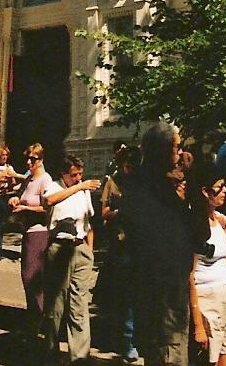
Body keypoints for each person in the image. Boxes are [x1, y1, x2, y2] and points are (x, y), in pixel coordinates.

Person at [121, 121, 196, 366]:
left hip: (161, 289)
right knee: (169, 355)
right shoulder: (152, 187)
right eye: (176, 148)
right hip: (163, 292)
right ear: (162, 150)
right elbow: (179, 233)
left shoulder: (142, 183)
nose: (179, 154)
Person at [41, 156, 101, 364]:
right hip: (59, 249)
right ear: (63, 174)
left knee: (79, 306)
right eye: (73, 175)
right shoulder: (53, 187)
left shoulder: (83, 191)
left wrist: (89, 250)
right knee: (56, 306)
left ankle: (79, 357)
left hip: (80, 248)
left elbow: (89, 222)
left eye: (79, 175)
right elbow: (48, 201)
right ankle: (50, 351)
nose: (77, 178)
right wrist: (80, 186)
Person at [190, 162, 226, 366]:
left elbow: (224, 259)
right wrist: (198, 324)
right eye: (220, 186)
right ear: (205, 191)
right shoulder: (195, 225)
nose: (225, 190)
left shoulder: (220, 221)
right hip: (207, 299)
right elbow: (190, 275)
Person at [102, 145, 142, 362]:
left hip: (141, 246)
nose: (130, 170)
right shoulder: (113, 182)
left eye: (133, 165)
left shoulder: (143, 183)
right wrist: (119, 211)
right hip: (121, 245)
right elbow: (104, 213)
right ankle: (126, 342)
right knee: (124, 296)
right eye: (127, 166)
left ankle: (137, 338)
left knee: (139, 293)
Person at [8, 143, 52, 323]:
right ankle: (34, 315)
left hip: (39, 233)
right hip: (27, 232)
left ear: (41, 160)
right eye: (27, 158)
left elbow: (48, 208)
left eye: (33, 159)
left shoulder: (45, 180)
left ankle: (41, 317)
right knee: (27, 276)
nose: (28, 162)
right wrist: (15, 199)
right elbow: (20, 195)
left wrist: (26, 207)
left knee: (33, 276)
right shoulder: (29, 179)